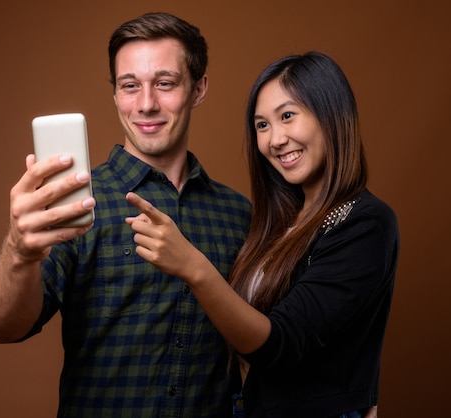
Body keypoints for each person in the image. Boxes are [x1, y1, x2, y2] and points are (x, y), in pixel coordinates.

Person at [0, 12, 252, 417]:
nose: (146, 104)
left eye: (164, 83)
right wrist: (19, 251)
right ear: (115, 95)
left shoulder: (238, 214)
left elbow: (268, 344)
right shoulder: (73, 200)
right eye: (129, 86)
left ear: (198, 88)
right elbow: (1, 326)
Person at [126, 51, 398, 417]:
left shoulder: (366, 222)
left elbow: (280, 345)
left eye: (287, 116)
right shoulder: (281, 222)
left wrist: (193, 267)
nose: (275, 139)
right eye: (262, 125)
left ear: (332, 115)